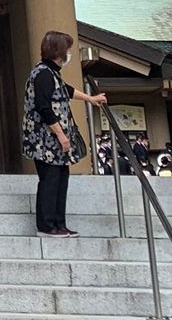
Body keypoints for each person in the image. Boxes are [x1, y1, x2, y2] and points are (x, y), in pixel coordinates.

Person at [22, 30, 108, 236]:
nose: (69, 55)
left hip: (53, 140)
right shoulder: (42, 74)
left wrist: (90, 99)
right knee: (50, 180)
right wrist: (61, 135)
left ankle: (59, 223)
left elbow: (66, 90)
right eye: (67, 50)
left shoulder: (50, 73)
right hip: (46, 140)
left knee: (60, 178)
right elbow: (44, 108)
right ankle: (47, 225)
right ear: (58, 52)